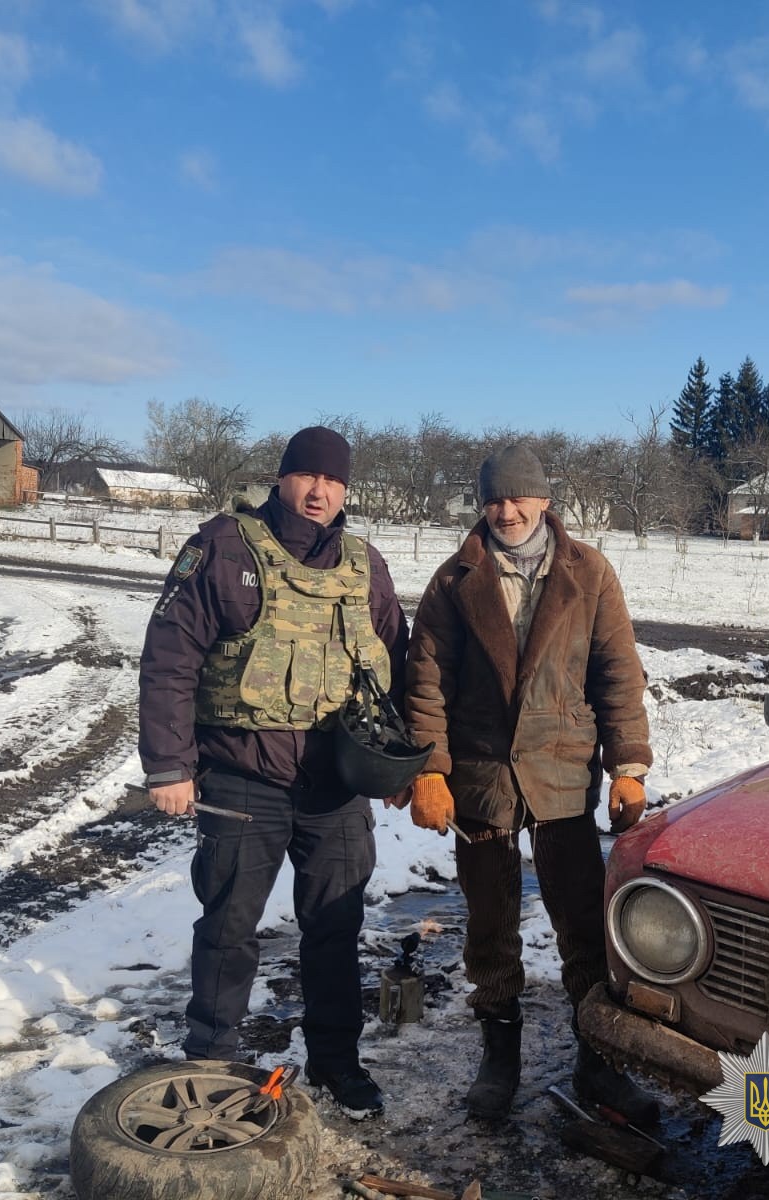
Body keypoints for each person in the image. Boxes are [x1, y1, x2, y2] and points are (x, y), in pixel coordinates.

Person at [138, 425, 409, 1120]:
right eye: (308, 476)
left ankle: (337, 1061)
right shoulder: (222, 548)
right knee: (229, 926)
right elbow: (170, 658)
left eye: (334, 481)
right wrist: (169, 764)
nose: (320, 492)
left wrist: (402, 764)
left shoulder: (364, 564)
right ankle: (211, 1057)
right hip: (243, 779)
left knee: (336, 927)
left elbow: (397, 664)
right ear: (282, 478)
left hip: (336, 783)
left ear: (346, 491)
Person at [400, 442, 660, 1126]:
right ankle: (500, 1052)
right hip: (481, 772)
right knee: (489, 919)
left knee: (582, 919)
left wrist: (628, 767)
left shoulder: (589, 572)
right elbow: (426, 682)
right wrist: (429, 769)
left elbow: (617, 671)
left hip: (562, 768)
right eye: (494, 499)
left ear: (545, 500)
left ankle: (597, 1058)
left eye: (518, 497)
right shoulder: (454, 580)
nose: (506, 510)